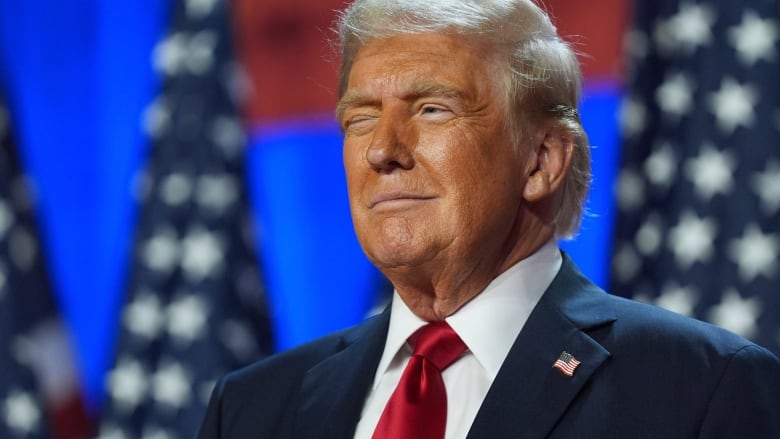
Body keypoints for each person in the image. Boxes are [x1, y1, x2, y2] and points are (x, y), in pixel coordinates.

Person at [197, 0, 780, 437]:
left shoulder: (702, 389)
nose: (383, 149)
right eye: (360, 118)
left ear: (542, 160)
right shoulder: (252, 409)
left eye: (431, 108)